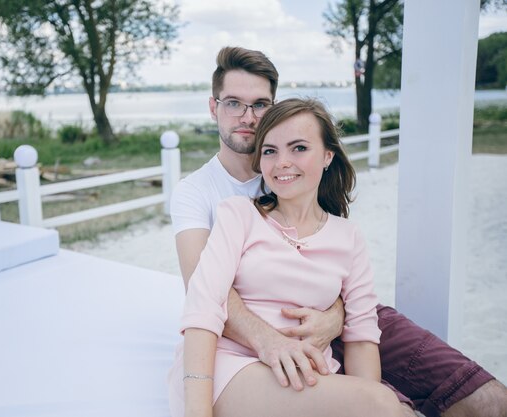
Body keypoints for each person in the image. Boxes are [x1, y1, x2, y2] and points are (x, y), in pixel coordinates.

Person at [170, 46, 507, 417]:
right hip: (254, 343)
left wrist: (336, 317)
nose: (248, 117)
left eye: (260, 104)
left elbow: (340, 267)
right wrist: (271, 341)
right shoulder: (207, 197)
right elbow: (205, 296)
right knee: (382, 404)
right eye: (233, 103)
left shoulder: (310, 185)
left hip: (339, 318)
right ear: (213, 107)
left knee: (490, 403)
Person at [168, 97, 406, 417]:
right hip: (229, 368)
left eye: (298, 148)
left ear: (327, 155)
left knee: (382, 402)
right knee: (384, 404)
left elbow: (362, 335)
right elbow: (203, 307)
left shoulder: (348, 237)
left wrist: (364, 396)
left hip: (306, 376)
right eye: (270, 151)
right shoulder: (238, 215)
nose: (282, 162)